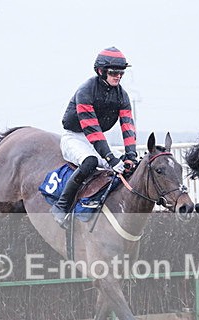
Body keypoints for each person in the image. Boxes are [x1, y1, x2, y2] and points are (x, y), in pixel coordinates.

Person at [51, 46, 138, 226]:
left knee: (128, 167)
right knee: (90, 161)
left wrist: (130, 155)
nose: (118, 76)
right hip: (75, 137)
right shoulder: (86, 91)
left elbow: (128, 127)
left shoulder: (123, 96)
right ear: (101, 71)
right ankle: (61, 207)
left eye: (121, 73)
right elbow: (93, 131)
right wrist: (111, 159)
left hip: (97, 140)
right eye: (114, 72)